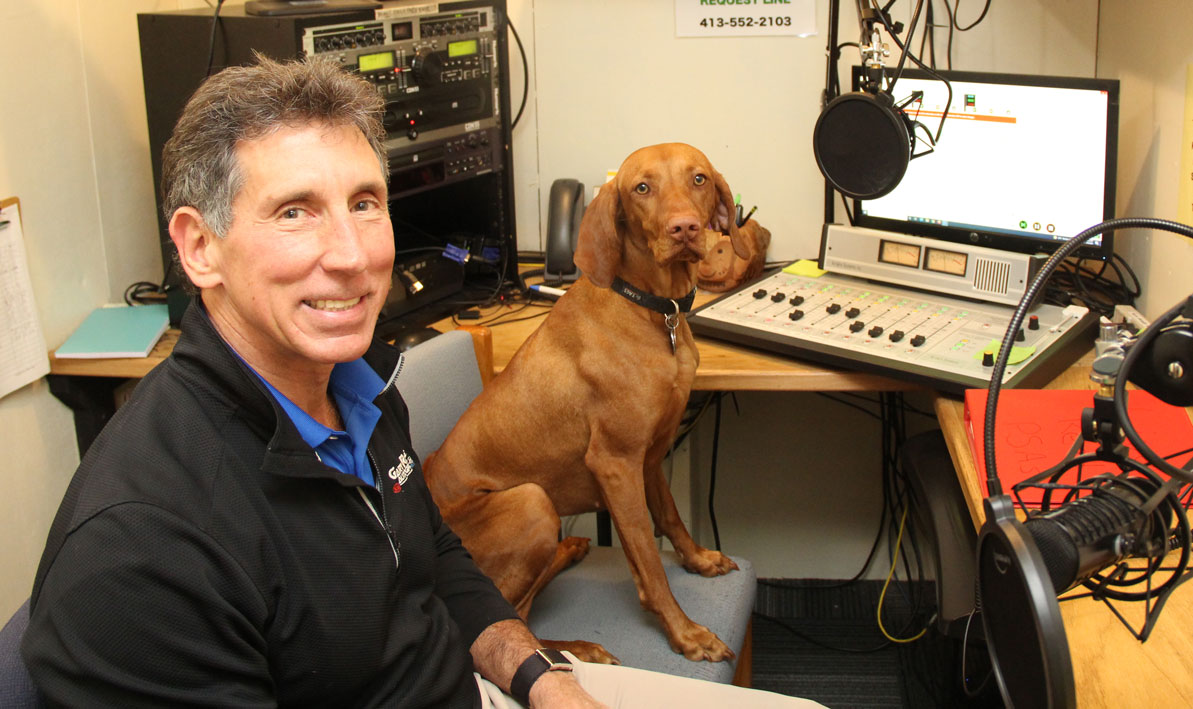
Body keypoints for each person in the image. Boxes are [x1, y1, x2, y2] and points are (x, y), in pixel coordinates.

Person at [21, 55, 823, 708]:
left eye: (364, 203)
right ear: (199, 248)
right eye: (294, 212)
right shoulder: (141, 546)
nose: (352, 253)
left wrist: (539, 676)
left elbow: (436, 560)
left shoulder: (357, 389)